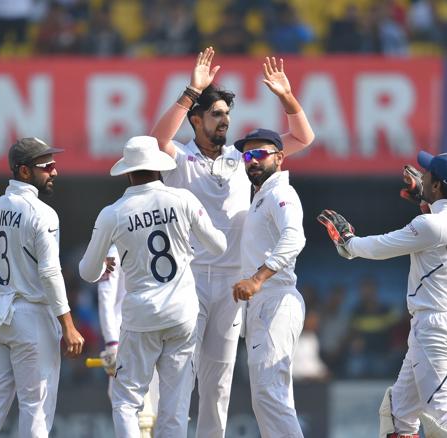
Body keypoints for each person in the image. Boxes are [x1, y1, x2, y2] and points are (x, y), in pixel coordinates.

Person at [150, 46, 314, 437]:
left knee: (219, 379)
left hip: (232, 283)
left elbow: (303, 138)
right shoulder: (180, 160)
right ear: (195, 119)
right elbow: (156, 141)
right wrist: (192, 88)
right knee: (179, 372)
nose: (225, 120)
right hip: (189, 280)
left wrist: (287, 97)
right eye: (216, 114)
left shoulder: (243, 159)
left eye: (227, 114)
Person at [318, 151, 447, 438]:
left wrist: (348, 244)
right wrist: (426, 199)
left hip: (434, 326)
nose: (421, 174)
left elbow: (382, 246)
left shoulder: (429, 225)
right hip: (445, 322)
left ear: (439, 185)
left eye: (427, 174)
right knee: (397, 413)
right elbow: (443, 224)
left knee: (445, 416)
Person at [78, 136, 227, 437]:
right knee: (175, 405)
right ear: (159, 167)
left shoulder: (113, 213)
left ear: (128, 172)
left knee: (126, 400)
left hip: (141, 317)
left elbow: (87, 271)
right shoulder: (183, 200)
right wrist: (187, 245)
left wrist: (104, 267)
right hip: (183, 314)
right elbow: (219, 246)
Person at [0, 137, 85, 437]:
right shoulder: (42, 213)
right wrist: (69, 325)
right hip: (30, 317)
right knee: (36, 408)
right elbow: (49, 272)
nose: (54, 171)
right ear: (23, 171)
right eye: (46, 166)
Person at [231, 128, 306, 437]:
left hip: (277, 298)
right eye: (247, 156)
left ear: (279, 157)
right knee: (271, 395)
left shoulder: (280, 192)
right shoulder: (260, 197)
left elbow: (295, 237)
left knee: (268, 394)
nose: (252, 161)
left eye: (260, 154)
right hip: (265, 304)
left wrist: (258, 277)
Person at [96, 244, 159, 437]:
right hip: (125, 338)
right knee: (133, 410)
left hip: (155, 334)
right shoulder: (114, 251)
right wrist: (112, 344)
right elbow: (105, 299)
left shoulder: (152, 242)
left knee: (159, 409)